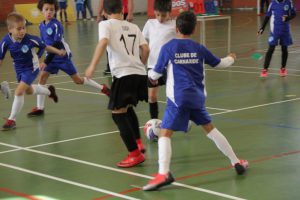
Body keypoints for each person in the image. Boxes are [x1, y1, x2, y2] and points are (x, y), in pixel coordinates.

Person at [143, 11, 248, 191]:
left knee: (165, 134)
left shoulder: (169, 47)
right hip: (197, 98)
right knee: (211, 130)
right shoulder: (199, 48)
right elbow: (220, 63)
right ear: (194, 29)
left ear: (176, 28)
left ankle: (163, 173)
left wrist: (150, 77)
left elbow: (156, 72)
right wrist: (232, 57)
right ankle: (236, 162)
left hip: (178, 99)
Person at [85, 0, 150, 168]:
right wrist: (140, 65)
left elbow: (103, 42)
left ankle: (134, 154)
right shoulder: (134, 26)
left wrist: (92, 65)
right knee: (127, 109)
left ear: (105, 12)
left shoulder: (106, 24)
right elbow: (146, 49)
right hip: (140, 73)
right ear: (123, 9)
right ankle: (139, 144)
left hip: (123, 74)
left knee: (117, 113)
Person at [27, 0, 109, 117]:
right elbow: (44, 44)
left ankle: (103, 88)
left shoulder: (57, 25)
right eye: (46, 9)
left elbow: (56, 44)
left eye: (52, 9)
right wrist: (39, 55)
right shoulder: (41, 25)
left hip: (62, 56)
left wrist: (45, 61)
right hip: (50, 57)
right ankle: (40, 108)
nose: (49, 12)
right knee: (42, 78)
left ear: (55, 11)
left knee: (78, 80)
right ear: (41, 11)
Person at [0, 12, 65, 130]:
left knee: (19, 91)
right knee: (29, 91)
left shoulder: (30, 39)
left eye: (23, 28)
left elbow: (44, 46)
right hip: (19, 69)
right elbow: (1, 58)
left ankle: (12, 120)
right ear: (10, 29)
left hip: (31, 68)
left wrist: (58, 51)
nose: (22, 31)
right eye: (18, 29)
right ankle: (50, 92)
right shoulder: (6, 41)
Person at [142, 0, 176, 119]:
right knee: (151, 97)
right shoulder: (150, 23)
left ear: (169, 13)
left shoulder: (174, 25)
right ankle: (154, 121)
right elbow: (143, 42)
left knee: (172, 96)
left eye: (163, 15)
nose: (160, 18)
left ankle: (177, 119)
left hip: (170, 66)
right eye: (157, 15)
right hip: (153, 65)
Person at [258, 0, 296, 77]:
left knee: (284, 49)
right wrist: (262, 28)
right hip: (274, 31)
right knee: (271, 49)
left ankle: (283, 68)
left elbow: (294, 14)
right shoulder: (272, 3)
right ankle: (265, 69)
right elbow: (267, 16)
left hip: (285, 30)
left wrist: (288, 18)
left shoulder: (289, 2)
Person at [97, 0, 134, 75]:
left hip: (117, 12)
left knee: (120, 39)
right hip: (112, 12)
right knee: (111, 41)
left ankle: (123, 64)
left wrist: (130, 13)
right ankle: (112, 65)